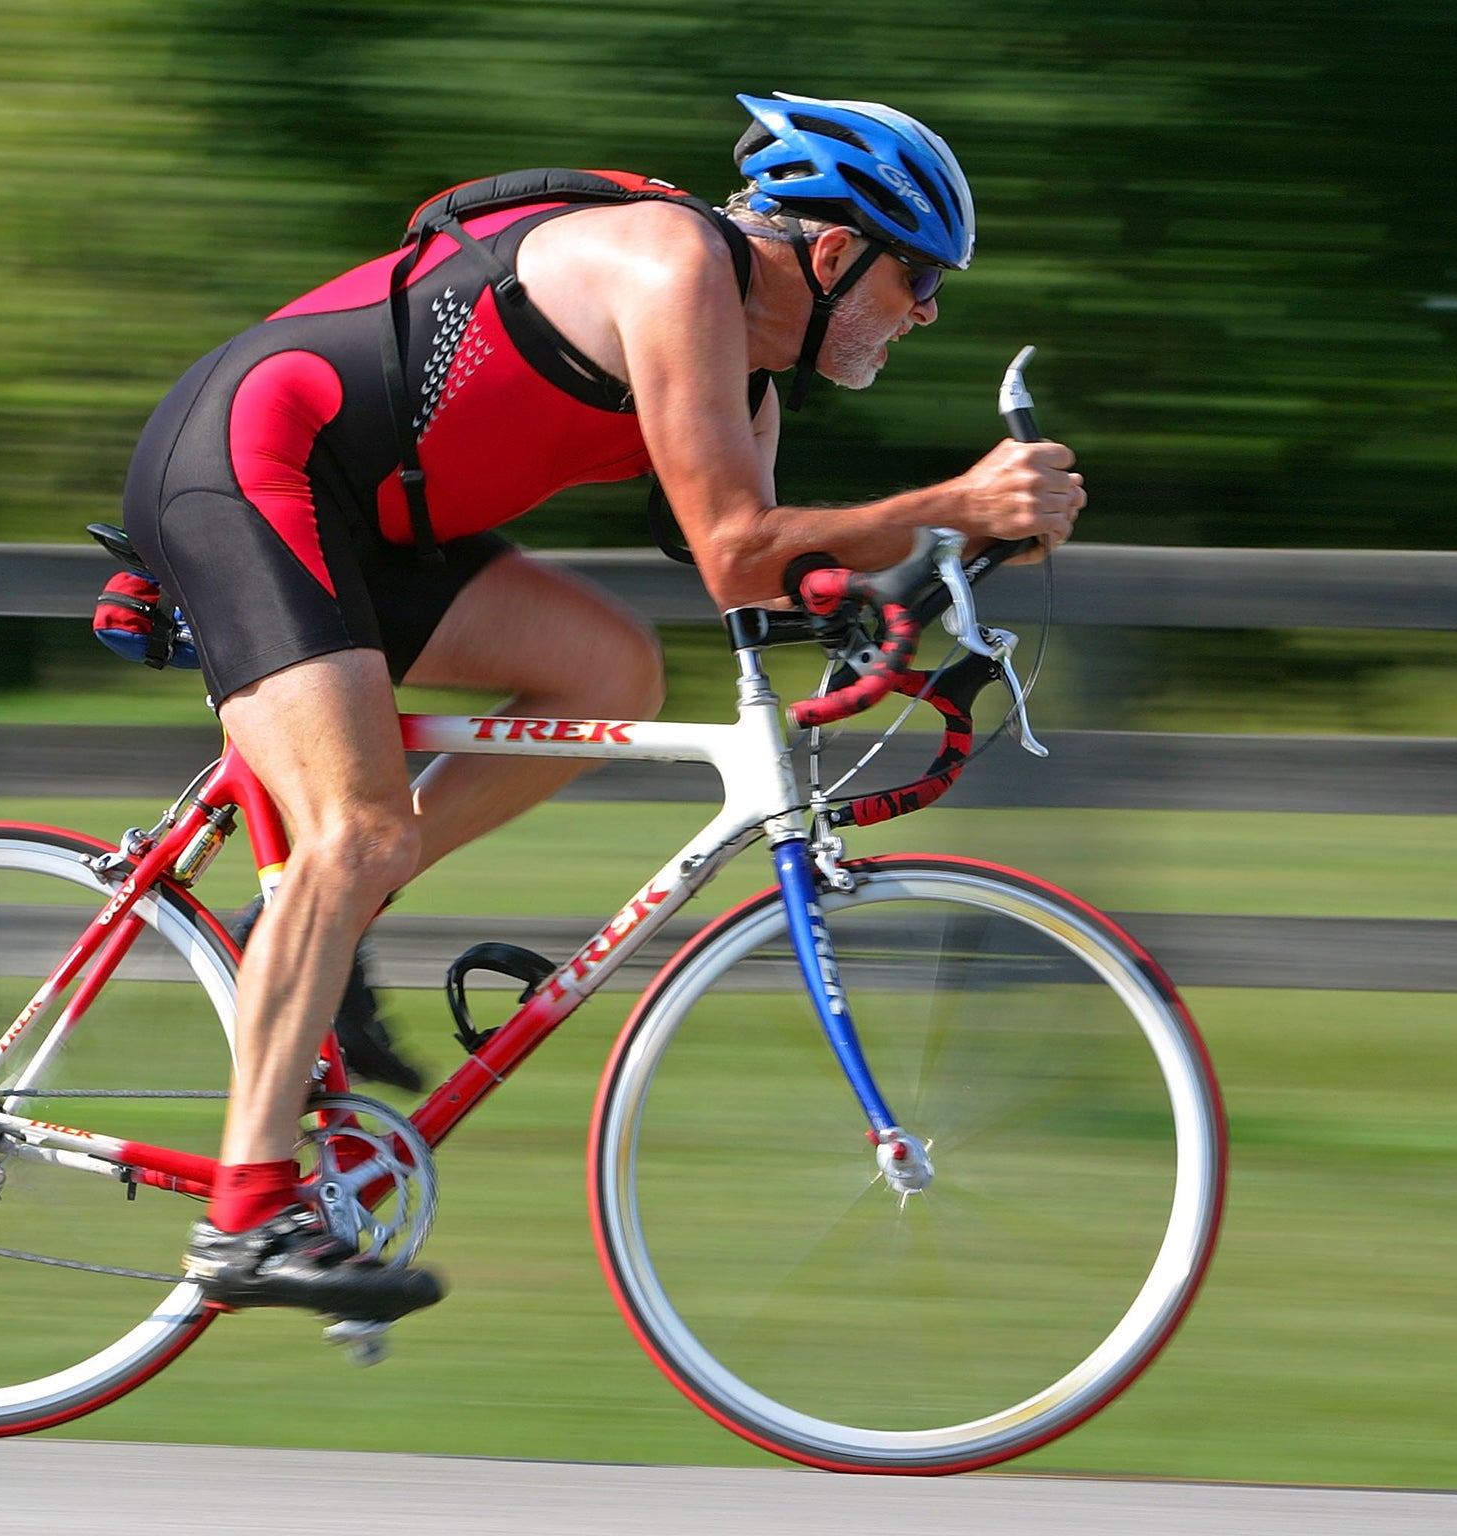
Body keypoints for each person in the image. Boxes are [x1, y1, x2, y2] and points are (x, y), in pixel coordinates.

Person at [118, 92, 1086, 1322]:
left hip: (369, 522)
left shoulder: (747, 388)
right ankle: (244, 1221)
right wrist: (957, 502)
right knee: (358, 829)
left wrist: (892, 601)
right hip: (255, 461)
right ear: (836, 253)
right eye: (918, 279)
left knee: (613, 671)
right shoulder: (673, 262)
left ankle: (310, 915)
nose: (928, 313)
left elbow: (751, 571)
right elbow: (742, 547)